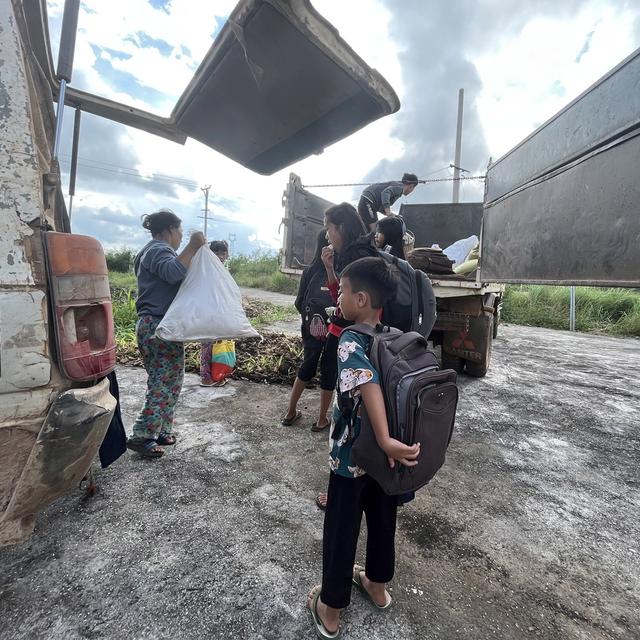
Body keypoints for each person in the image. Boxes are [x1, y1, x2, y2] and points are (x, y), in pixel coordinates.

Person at [307, 257, 421, 638]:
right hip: (386, 461)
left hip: (353, 455)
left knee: (342, 527)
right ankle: (376, 584)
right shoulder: (393, 335)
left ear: (360, 299)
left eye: (341, 291)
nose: (336, 297)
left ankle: (331, 608)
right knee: (383, 518)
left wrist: (383, 437)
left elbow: (367, 382)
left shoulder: (350, 339)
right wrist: (391, 441)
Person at [126, 209, 206, 458]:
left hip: (161, 326)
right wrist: (193, 247)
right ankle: (142, 435)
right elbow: (173, 273)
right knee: (162, 382)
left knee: (171, 380)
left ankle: (160, 429)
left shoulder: (152, 251)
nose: (182, 237)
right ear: (170, 229)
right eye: (181, 231)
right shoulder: (158, 249)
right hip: (158, 326)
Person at [315, 203, 378, 509]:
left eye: (329, 228)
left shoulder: (355, 255)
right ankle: (355, 484)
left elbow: (347, 306)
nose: (327, 235)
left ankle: (343, 491)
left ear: (339, 227)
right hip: (362, 336)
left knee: (348, 419)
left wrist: (338, 331)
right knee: (356, 416)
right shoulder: (362, 249)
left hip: (353, 339)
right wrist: (330, 269)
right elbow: (343, 299)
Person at [281, 230, 334, 430]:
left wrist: (312, 322)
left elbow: (299, 302)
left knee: (307, 366)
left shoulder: (309, 271)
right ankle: (322, 419)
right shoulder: (338, 270)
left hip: (311, 328)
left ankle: (290, 412)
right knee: (330, 370)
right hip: (333, 329)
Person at [200, 240, 233, 387]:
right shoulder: (207, 269)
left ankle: (218, 375)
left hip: (219, 313)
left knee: (218, 345)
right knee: (207, 345)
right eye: (216, 252)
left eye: (223, 253)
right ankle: (206, 377)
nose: (220, 256)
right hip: (208, 312)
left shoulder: (222, 270)